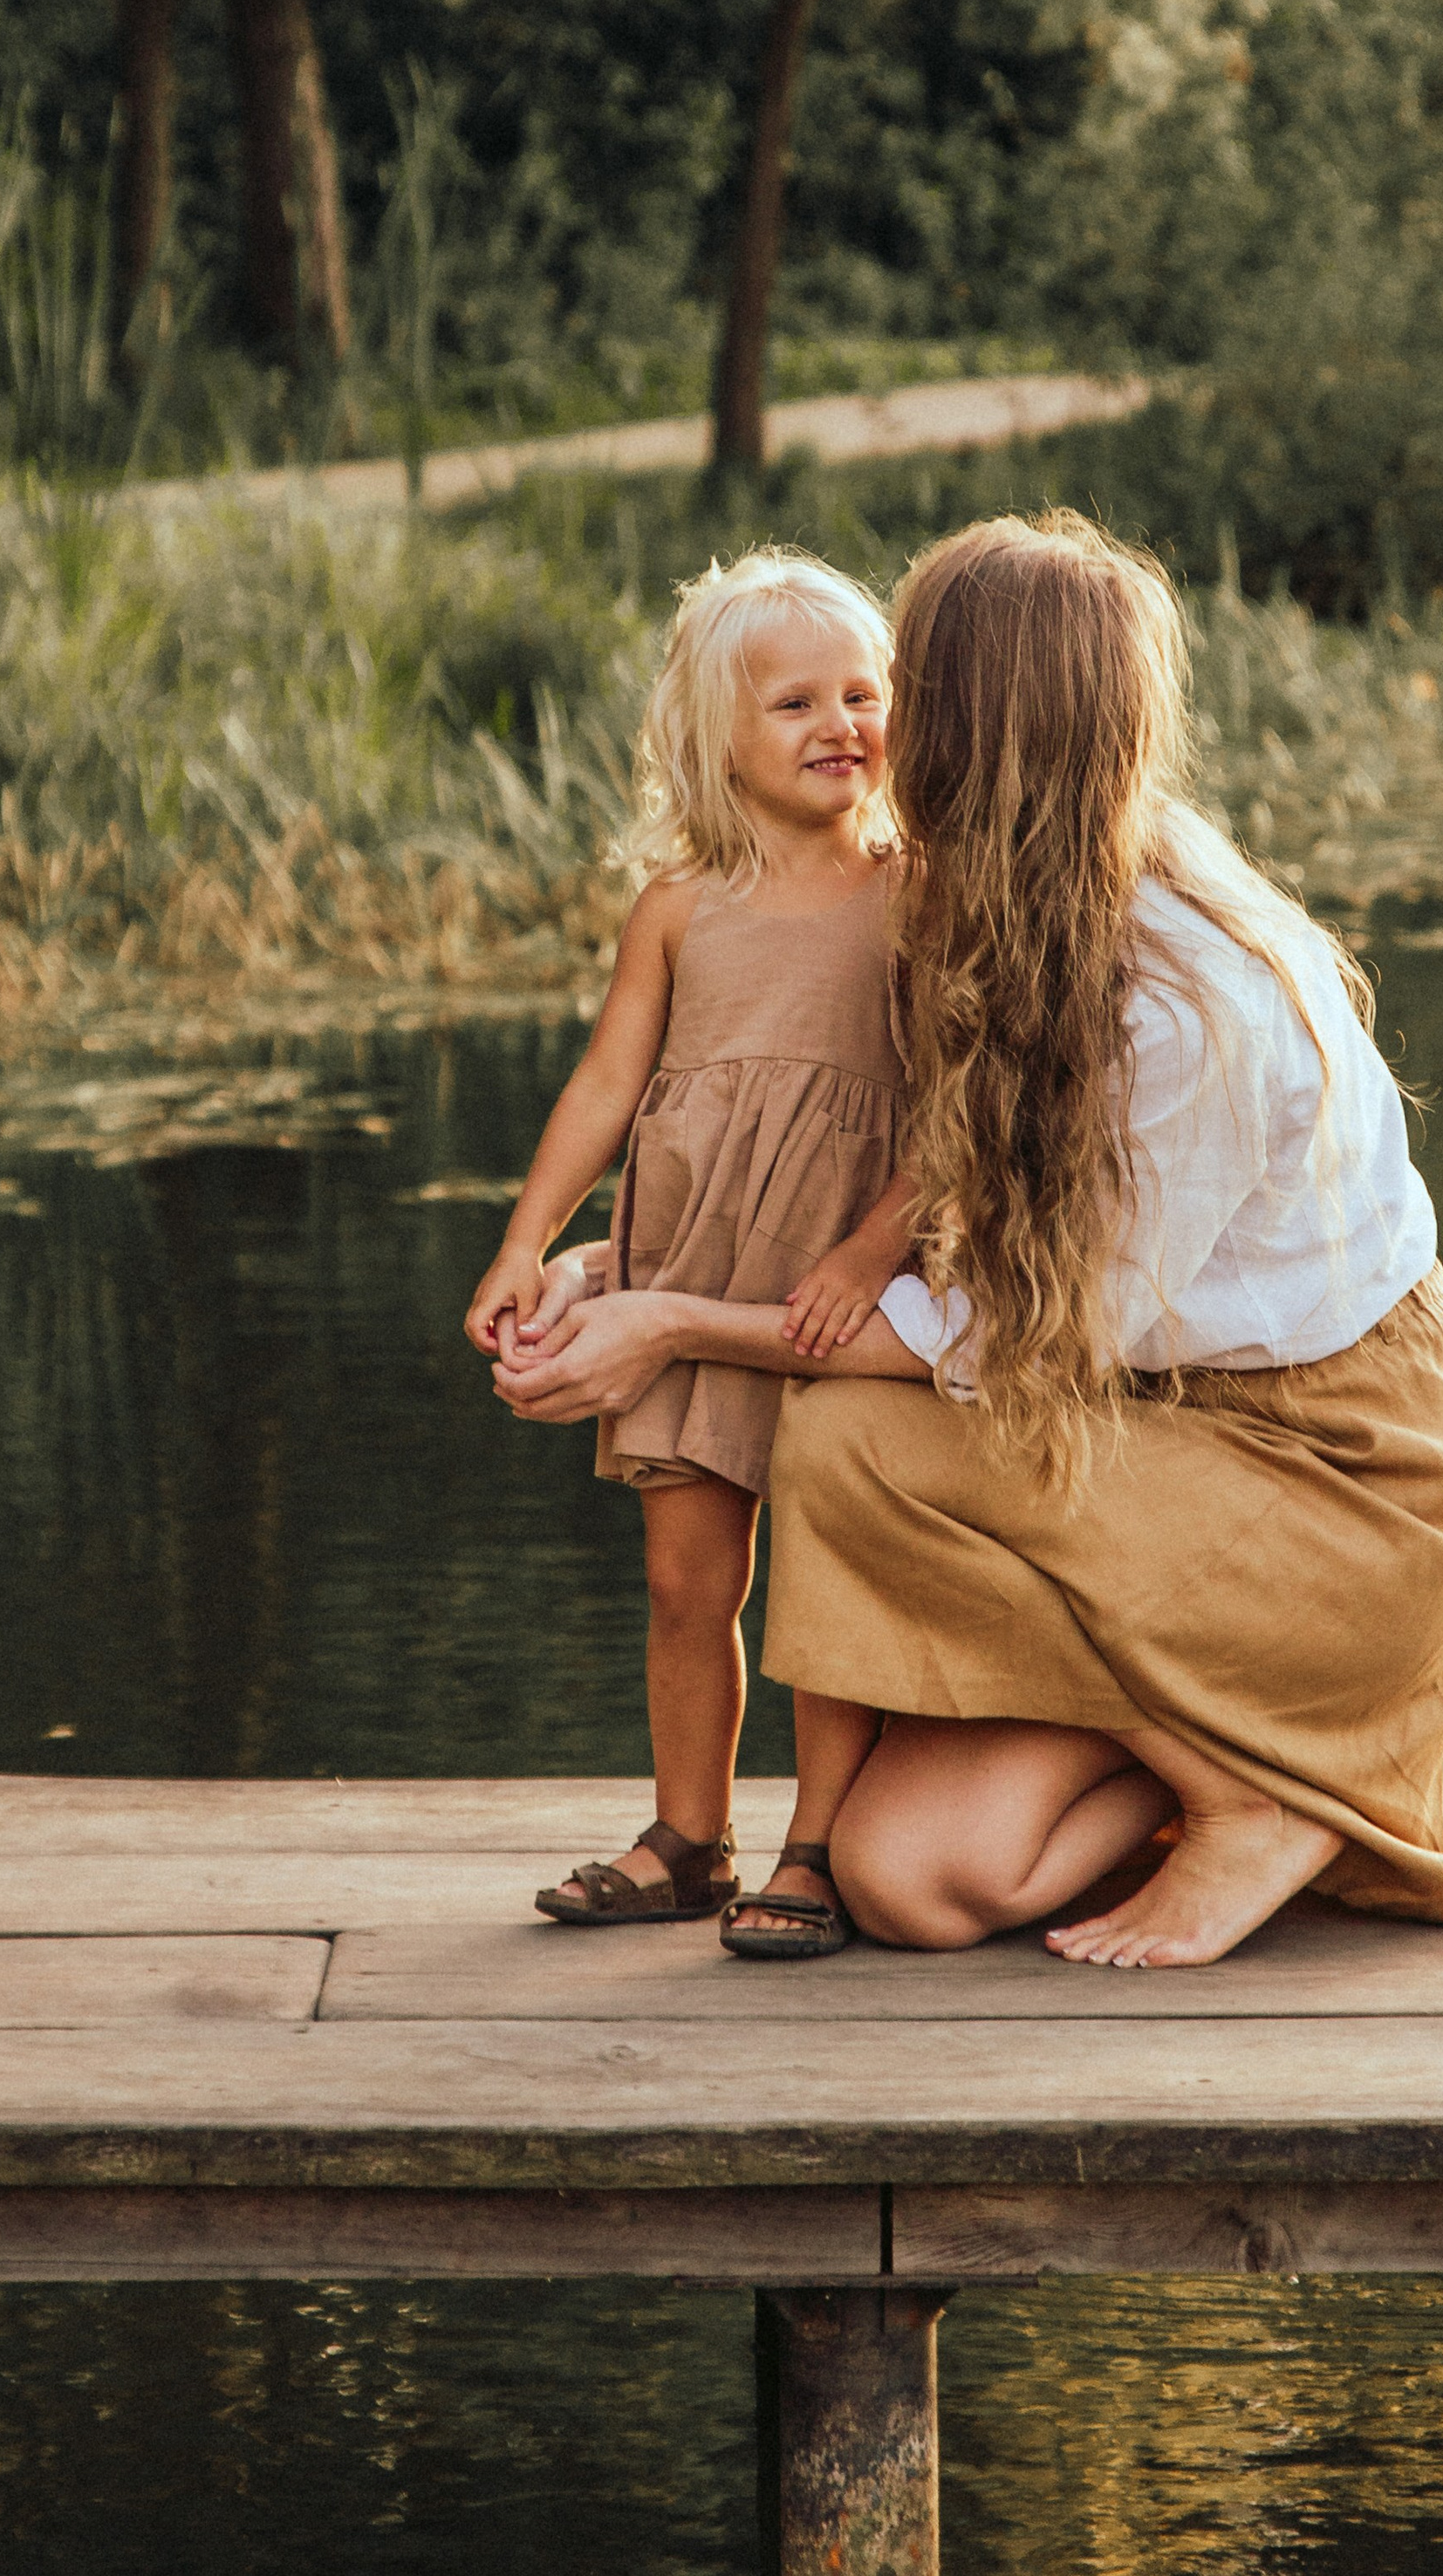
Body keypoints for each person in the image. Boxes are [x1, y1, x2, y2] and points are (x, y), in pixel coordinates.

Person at [491, 514, 1443, 1967]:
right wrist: (613, 1264)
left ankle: (1251, 1798)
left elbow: (1012, 1335)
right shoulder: (1009, 904)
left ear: (975, 736)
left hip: (1342, 1504)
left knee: (836, 1439)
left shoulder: (1183, 1005)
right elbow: (895, 1197)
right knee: (910, 1879)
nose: (872, 728)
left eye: (899, 691)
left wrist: (677, 1325)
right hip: (1147, 1461)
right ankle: (1272, 1773)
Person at [465, 548, 915, 1934]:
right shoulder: (678, 906)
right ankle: (690, 1836)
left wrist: (867, 1253)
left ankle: (821, 1850)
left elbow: (959, 1114)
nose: (841, 724)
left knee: (831, 1585)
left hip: (842, 1274)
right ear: (713, 743)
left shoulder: (919, 891)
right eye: (795, 705)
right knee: (687, 1581)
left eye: (861, 693)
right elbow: (606, 1086)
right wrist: (527, 1241)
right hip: (694, 1263)